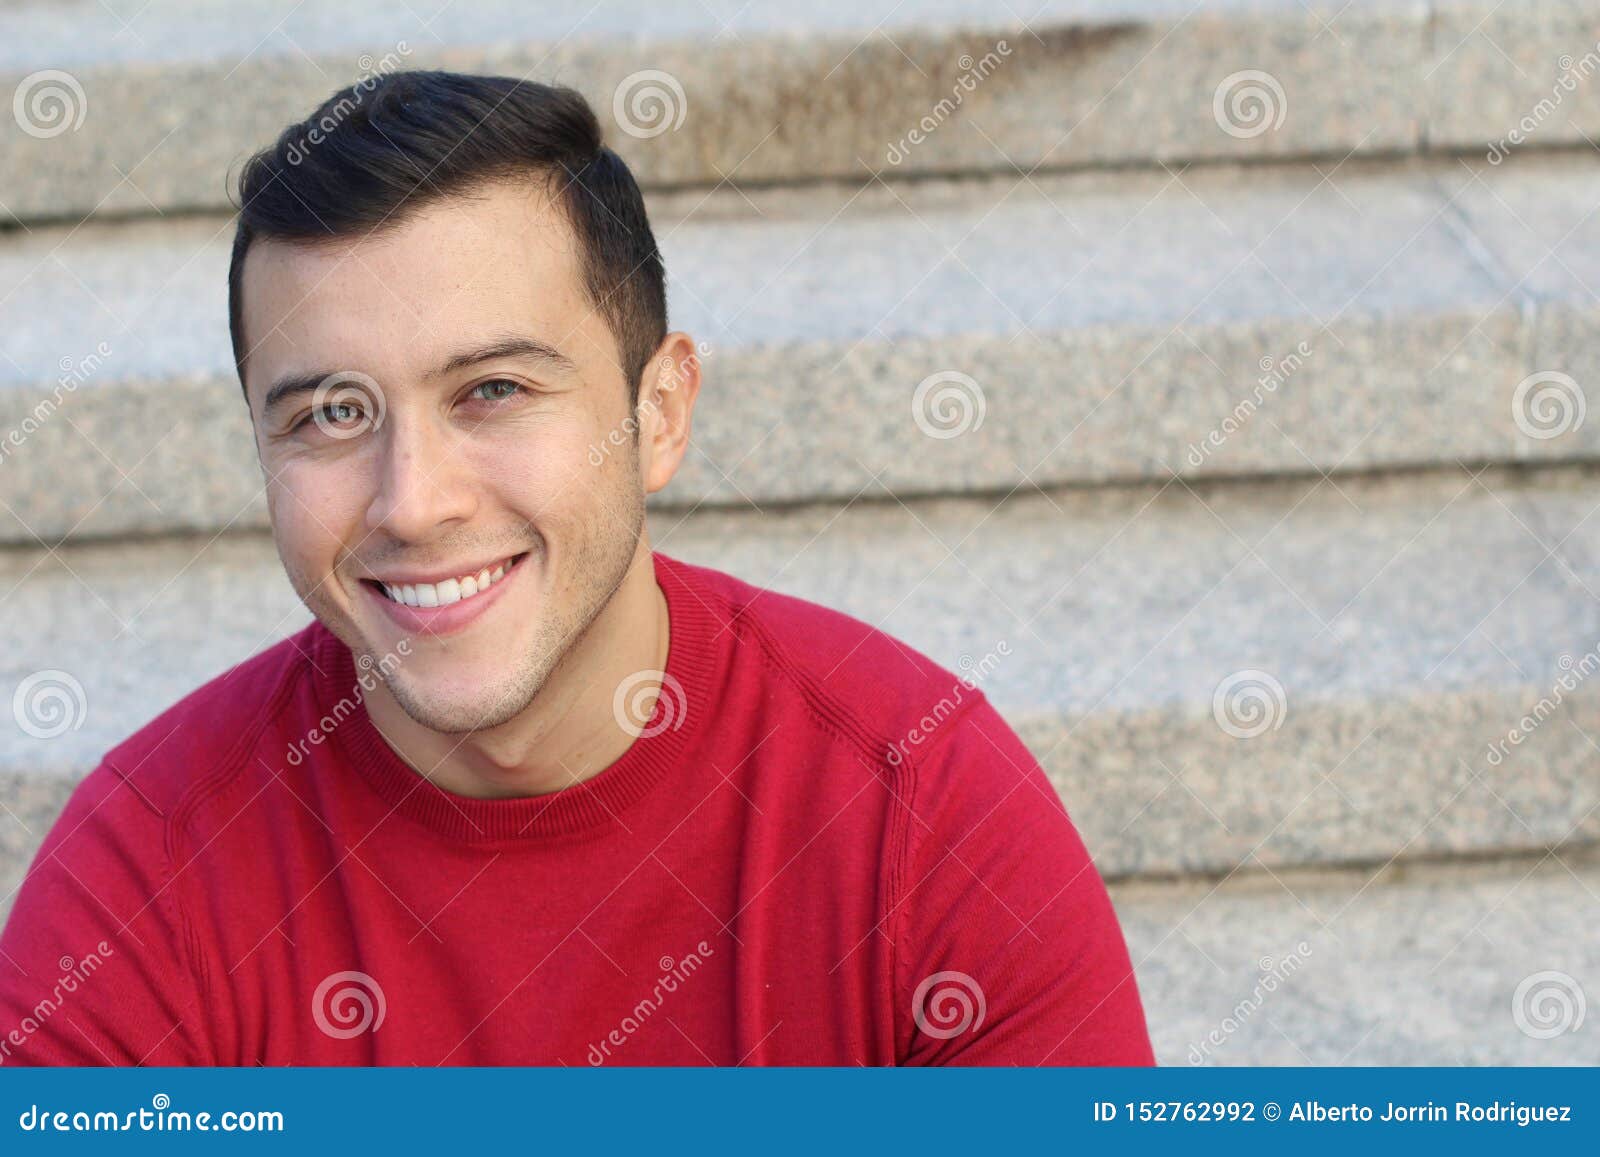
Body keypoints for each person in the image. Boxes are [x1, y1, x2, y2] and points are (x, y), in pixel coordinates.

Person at [0, 71, 1153, 1066]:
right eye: (329, 414)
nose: (413, 499)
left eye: (492, 390)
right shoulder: (147, 870)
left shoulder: (917, 804)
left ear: (657, 413)